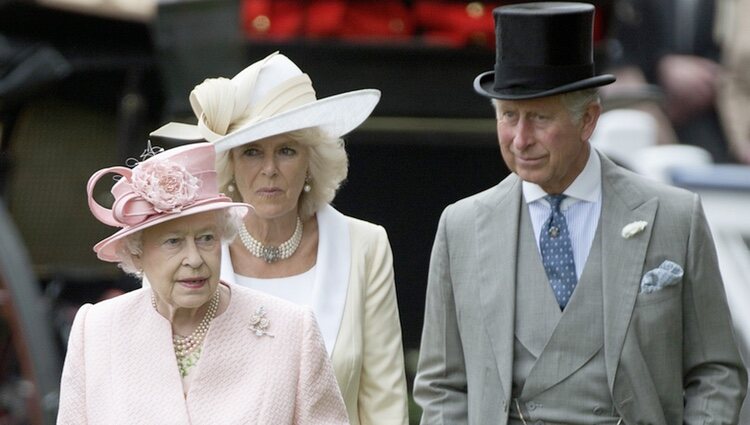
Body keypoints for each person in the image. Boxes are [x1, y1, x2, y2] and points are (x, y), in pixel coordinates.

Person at [413, 3, 747, 424]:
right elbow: (442, 387)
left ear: (588, 120)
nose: (519, 139)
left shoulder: (674, 216)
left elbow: (716, 371)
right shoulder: (461, 226)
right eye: (508, 116)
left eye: (538, 118)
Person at [152, 51, 408, 425]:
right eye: (252, 152)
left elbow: (384, 403)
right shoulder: (190, 252)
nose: (269, 170)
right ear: (230, 165)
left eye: (286, 150)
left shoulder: (364, 245)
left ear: (310, 162)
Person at [57, 142, 348, 424]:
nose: (194, 259)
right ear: (137, 252)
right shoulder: (95, 330)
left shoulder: (292, 330)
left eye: (206, 238)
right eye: (173, 242)